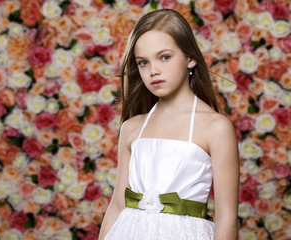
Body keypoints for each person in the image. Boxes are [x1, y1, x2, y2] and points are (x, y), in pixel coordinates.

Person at [99, 9, 239, 240]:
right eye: (143, 62)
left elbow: (227, 219)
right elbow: (117, 205)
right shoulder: (131, 128)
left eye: (164, 57)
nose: (153, 71)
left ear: (190, 58)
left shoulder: (216, 128)